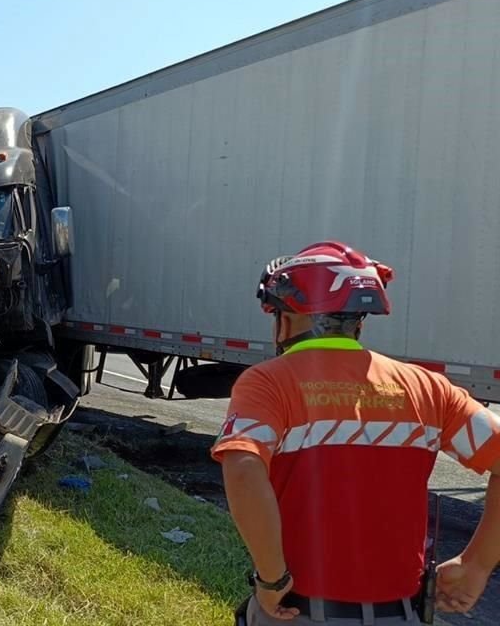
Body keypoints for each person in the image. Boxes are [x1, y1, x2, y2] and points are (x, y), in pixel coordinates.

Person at [212, 241, 500, 625]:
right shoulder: (427, 387)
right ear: (359, 318)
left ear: (286, 317)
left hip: (301, 612)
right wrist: (476, 563)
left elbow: (244, 468)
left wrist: (271, 577)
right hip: (402, 615)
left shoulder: (267, 383)